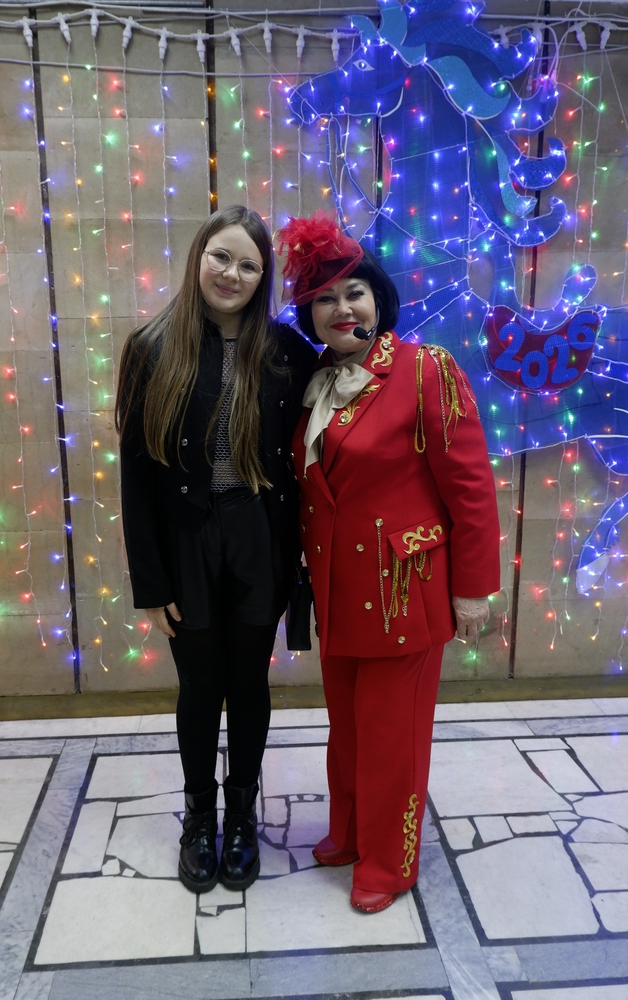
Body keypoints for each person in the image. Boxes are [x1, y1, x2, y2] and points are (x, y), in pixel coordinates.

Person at [276, 213, 501, 914]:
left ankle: (388, 861)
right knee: (347, 726)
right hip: (338, 590)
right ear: (310, 313)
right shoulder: (317, 380)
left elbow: (471, 485)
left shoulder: (426, 369)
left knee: (390, 736)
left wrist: (473, 589)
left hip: (405, 590)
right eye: (324, 299)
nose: (342, 308)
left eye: (354, 293)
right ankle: (348, 833)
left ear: (378, 298)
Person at [116, 205, 317, 894]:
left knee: (249, 682)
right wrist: (150, 583)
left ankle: (240, 819)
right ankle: (199, 818)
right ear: (199, 256)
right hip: (187, 538)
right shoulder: (152, 346)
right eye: (221, 257)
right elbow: (136, 474)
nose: (232, 273)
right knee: (201, 686)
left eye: (249, 265)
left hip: (259, 532)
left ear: (263, 277)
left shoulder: (287, 351)